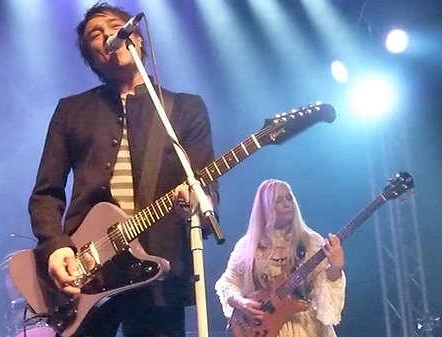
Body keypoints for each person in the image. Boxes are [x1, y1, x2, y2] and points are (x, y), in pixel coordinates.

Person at [28, 2, 218, 337]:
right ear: (92, 57)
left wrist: (202, 202)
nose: (106, 38)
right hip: (86, 269)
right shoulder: (72, 110)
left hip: (160, 270)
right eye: (94, 36)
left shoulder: (185, 107)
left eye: (114, 27)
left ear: (137, 39)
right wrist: (56, 246)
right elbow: (46, 193)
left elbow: (205, 180)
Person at [214, 180, 345, 337]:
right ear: (265, 208)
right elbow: (228, 282)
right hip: (263, 328)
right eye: (278, 200)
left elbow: (321, 294)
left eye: (289, 198)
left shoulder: (312, 241)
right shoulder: (247, 246)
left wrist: (335, 269)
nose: (287, 204)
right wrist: (242, 303)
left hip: (305, 329)